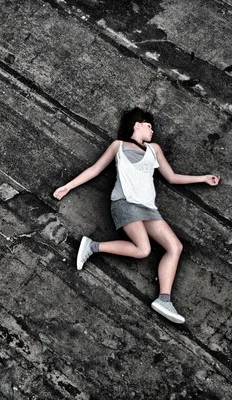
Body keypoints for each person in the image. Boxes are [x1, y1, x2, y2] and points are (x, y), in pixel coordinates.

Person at [53, 107, 220, 324]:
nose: (152, 131)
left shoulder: (154, 150)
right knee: (143, 250)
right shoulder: (118, 146)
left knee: (175, 247)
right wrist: (68, 186)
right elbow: (95, 169)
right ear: (137, 125)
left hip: (147, 208)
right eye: (149, 126)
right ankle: (92, 247)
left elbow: (171, 177)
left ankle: (164, 300)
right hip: (125, 203)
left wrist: (202, 178)